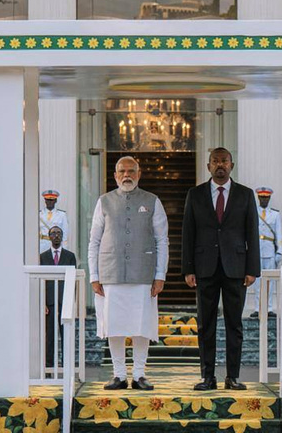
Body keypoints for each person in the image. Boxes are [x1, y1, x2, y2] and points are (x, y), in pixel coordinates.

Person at [181, 147, 260, 391]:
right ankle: (208, 377)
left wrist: (252, 269)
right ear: (208, 166)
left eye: (224, 161)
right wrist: (188, 269)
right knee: (206, 324)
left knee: (235, 324)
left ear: (231, 165)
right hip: (205, 268)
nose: (220, 165)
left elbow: (252, 233)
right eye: (215, 161)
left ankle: (232, 377)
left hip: (236, 269)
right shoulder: (195, 195)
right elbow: (188, 233)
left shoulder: (245, 195)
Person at [88, 156, 168, 391]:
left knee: (141, 325)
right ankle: (119, 375)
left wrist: (160, 274)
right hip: (110, 273)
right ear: (115, 175)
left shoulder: (152, 201)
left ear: (139, 173)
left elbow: (162, 240)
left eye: (131, 171)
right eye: (122, 171)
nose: (127, 175)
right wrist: (94, 275)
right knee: (114, 325)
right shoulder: (104, 202)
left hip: (143, 274)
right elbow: (94, 240)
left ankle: (140, 375)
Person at [40, 226, 76, 370]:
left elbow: (73, 281)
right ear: (49, 237)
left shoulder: (70, 256)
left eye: (59, 233)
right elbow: (42, 281)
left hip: (65, 301)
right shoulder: (43, 257)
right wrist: (43, 303)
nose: (56, 236)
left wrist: (73, 302)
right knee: (50, 337)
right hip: (50, 303)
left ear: (62, 236)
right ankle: (49, 366)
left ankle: (67, 366)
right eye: (53, 233)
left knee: (66, 335)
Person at [248, 187, 282, 318]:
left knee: (270, 282)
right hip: (256, 250)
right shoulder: (253, 212)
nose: (264, 200)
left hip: (269, 250)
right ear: (258, 198)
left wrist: (280, 251)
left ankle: (268, 308)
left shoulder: (275, 215)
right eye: (261, 197)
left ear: (269, 199)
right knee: (257, 281)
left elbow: (279, 234)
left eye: (266, 198)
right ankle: (257, 308)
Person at [39, 189, 70, 254]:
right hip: (42, 245)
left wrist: (64, 250)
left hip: (56, 245)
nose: (49, 202)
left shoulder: (62, 215)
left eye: (52, 200)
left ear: (55, 201)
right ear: (45, 201)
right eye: (47, 200)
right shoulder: (39, 214)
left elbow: (64, 235)